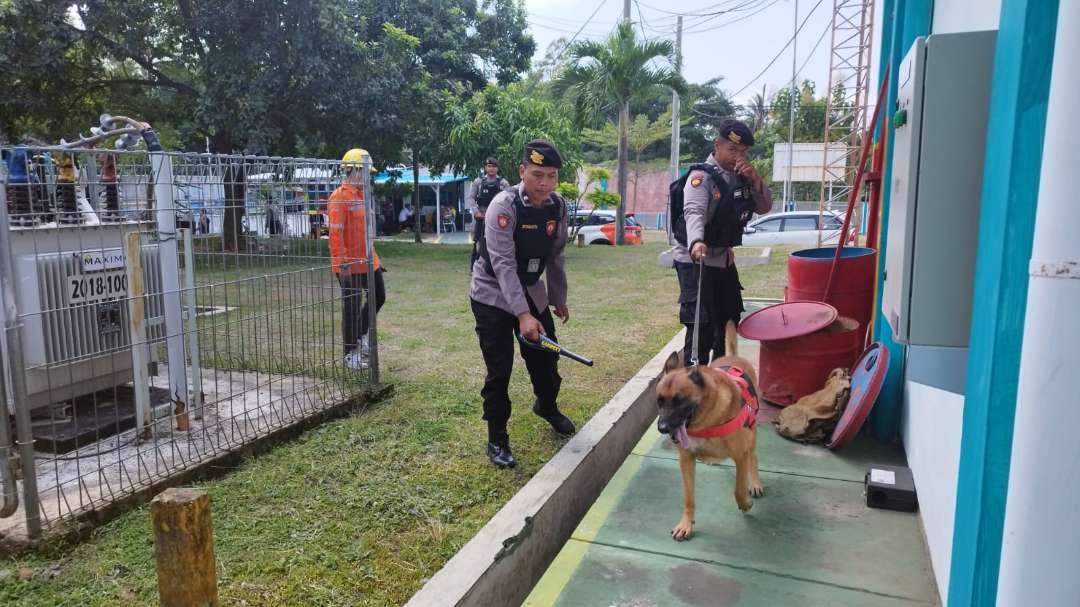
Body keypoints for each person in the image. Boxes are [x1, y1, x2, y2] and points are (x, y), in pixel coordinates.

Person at [470, 140, 574, 469]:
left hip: (530, 288)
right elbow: (501, 265)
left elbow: (556, 255)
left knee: (547, 357)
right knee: (499, 370)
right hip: (490, 293)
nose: (544, 183)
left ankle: (547, 405)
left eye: (552, 176)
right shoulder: (504, 205)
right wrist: (524, 315)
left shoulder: (557, 207)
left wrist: (557, 298)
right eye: (537, 175)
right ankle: (497, 437)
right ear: (522, 172)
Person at [674, 119, 772, 366]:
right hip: (696, 259)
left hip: (723, 260)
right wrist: (696, 241)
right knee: (701, 327)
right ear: (717, 146)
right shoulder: (701, 177)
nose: (737, 156)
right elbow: (693, 212)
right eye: (732, 150)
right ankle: (694, 388)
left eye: (743, 152)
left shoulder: (741, 177)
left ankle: (720, 379)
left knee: (728, 323)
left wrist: (756, 181)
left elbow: (764, 207)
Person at [329, 148, 385, 370]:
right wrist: (342, 262)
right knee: (351, 306)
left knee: (378, 297)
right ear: (353, 170)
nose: (368, 177)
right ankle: (350, 352)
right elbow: (335, 233)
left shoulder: (363, 195)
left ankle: (361, 337)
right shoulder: (339, 197)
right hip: (348, 263)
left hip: (369, 260)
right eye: (365, 172)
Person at [467, 157, 510, 268]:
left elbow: (509, 200)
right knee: (478, 242)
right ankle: (474, 267)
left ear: (497, 168)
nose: (491, 169)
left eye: (494, 166)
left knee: (499, 242)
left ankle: (497, 267)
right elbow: (471, 198)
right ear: (485, 168)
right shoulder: (478, 182)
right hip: (482, 216)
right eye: (489, 166)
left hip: (497, 219)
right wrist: (476, 212)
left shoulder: (503, 184)